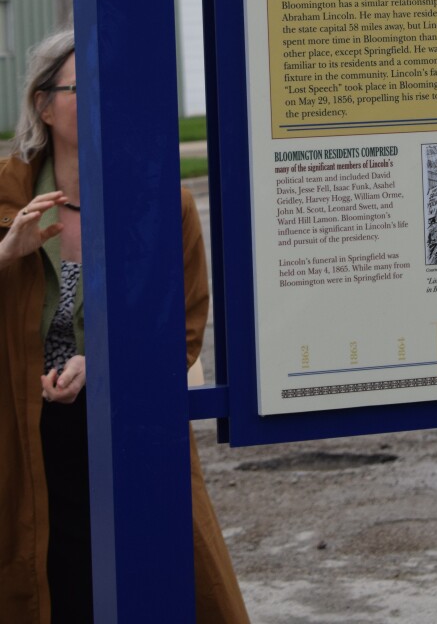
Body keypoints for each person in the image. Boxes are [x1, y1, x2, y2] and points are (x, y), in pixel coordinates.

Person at [0, 30, 249, 623]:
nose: (104, 99)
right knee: (42, 582)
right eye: (84, 87)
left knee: (144, 581)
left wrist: (105, 368)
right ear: (43, 104)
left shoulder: (161, 198)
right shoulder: (6, 190)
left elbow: (187, 324)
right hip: (20, 433)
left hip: (126, 427)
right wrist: (7, 252)